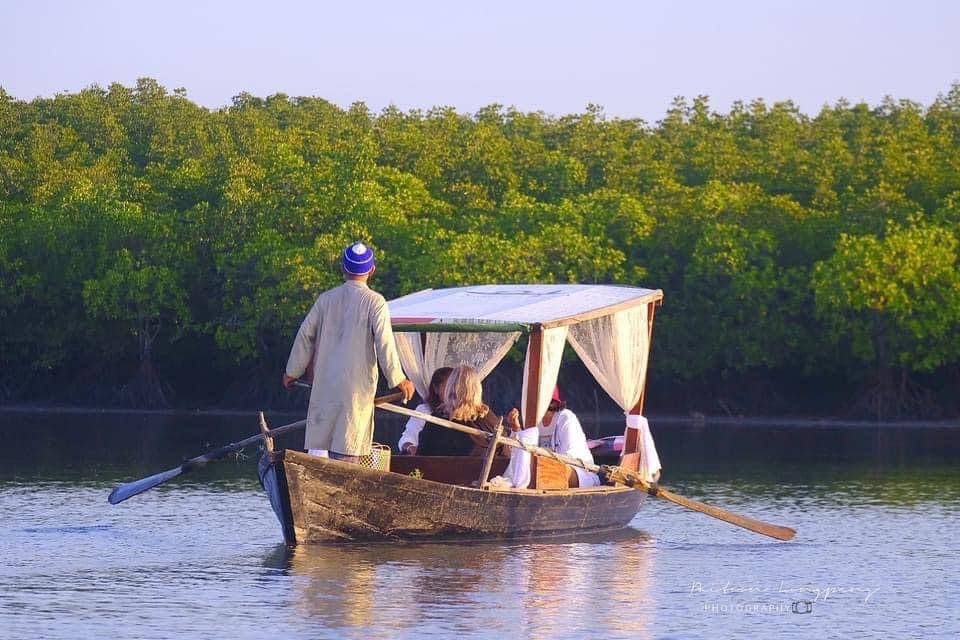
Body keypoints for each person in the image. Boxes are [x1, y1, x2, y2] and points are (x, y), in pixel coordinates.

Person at [283, 241, 415, 462]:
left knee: (320, 449)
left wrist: (292, 372)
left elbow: (305, 335)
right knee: (347, 450)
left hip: (324, 388)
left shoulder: (325, 300)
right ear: (371, 270)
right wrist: (399, 379)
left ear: (343, 269)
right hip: (355, 392)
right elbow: (385, 342)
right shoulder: (376, 302)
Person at [495, 386, 600, 489]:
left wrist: (539, 461)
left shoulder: (565, 418)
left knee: (555, 471)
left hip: (578, 472)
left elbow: (569, 458)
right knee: (529, 469)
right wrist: (516, 429)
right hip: (543, 475)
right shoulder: (533, 421)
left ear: (552, 402)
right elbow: (521, 454)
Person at [417, 365, 520, 456]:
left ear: (450, 388)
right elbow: (506, 455)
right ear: (477, 390)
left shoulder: (437, 420)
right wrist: (516, 430)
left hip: (437, 476)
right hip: (481, 477)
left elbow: (420, 458)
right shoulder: (487, 419)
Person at [397, 367, 453, 455]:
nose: (452, 392)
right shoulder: (424, 410)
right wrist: (410, 447)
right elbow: (408, 437)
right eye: (447, 387)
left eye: (454, 387)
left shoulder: (468, 414)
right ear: (436, 388)